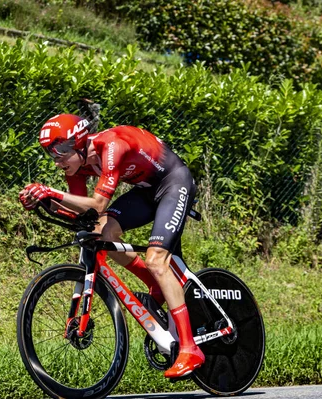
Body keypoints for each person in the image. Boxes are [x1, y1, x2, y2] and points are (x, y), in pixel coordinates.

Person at [18, 112, 204, 379]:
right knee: (100, 234)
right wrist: (44, 202)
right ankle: (153, 283)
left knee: (157, 259)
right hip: (146, 192)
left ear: (79, 143)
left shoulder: (112, 146)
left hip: (174, 182)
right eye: (51, 155)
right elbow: (82, 213)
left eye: (60, 152)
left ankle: (190, 348)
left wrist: (51, 192)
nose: (57, 161)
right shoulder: (78, 165)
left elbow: (98, 205)